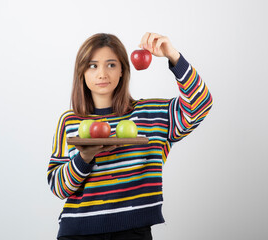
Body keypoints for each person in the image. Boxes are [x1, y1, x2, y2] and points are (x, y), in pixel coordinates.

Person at [47, 32, 213, 240]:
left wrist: (174, 56)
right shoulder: (70, 121)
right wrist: (84, 158)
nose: (102, 74)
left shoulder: (150, 114)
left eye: (111, 65)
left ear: (123, 71)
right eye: (92, 65)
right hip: (78, 232)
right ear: (82, 72)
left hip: (133, 232)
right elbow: (58, 187)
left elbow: (200, 105)